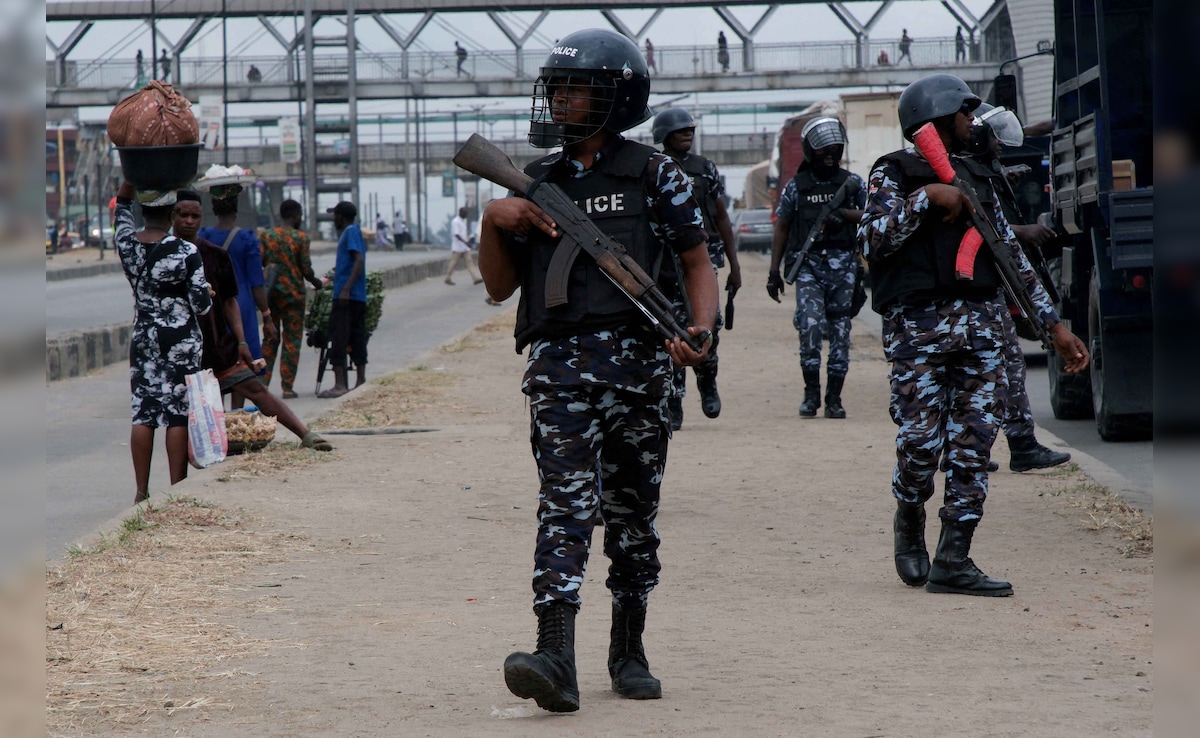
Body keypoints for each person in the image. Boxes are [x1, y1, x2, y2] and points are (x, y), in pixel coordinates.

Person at [478, 28, 717, 713]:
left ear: (616, 98)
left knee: (632, 515)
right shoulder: (538, 184)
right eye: (554, 87)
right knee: (564, 508)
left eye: (574, 88)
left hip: (640, 368)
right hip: (558, 373)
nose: (559, 100)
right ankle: (555, 655)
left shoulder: (654, 175)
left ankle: (629, 645)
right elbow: (498, 288)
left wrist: (699, 331)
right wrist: (497, 221)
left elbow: (697, 263)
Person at [858, 74, 1089, 597]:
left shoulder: (979, 176)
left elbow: (1010, 254)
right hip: (919, 332)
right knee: (920, 443)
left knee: (974, 443)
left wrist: (1054, 327)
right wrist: (926, 200)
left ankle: (954, 557)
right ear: (938, 118)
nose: (972, 122)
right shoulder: (894, 171)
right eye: (964, 113)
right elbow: (871, 237)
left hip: (983, 330)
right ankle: (909, 514)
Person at [172, 191, 333, 451]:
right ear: (172, 216)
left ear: (204, 217)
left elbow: (229, 301)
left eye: (195, 216)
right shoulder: (163, 256)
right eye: (183, 215)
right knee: (191, 409)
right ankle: (208, 451)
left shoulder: (213, 252)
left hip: (217, 340)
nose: (189, 221)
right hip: (181, 349)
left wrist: (242, 340)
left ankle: (305, 434)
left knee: (254, 388)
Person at [966, 103, 1074, 473]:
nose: (1001, 149)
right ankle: (970, 451)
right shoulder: (961, 174)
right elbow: (976, 229)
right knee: (981, 375)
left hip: (991, 288)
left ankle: (1018, 444)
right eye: (996, 143)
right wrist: (1022, 232)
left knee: (1009, 366)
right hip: (969, 294)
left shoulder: (982, 172)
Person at [113, 182, 212, 505]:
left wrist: (131, 181)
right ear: (171, 215)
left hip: (143, 336)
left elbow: (122, 209)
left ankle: (141, 491)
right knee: (177, 414)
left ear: (145, 212)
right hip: (180, 339)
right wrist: (206, 293)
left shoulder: (126, 243)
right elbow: (201, 305)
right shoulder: (186, 251)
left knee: (143, 413)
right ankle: (177, 489)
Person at [766, 117, 866, 419]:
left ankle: (834, 398)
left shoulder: (853, 183)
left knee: (840, 332)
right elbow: (782, 227)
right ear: (811, 152)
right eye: (824, 151)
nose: (830, 156)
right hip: (809, 267)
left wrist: (846, 215)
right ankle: (811, 395)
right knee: (810, 328)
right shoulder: (797, 187)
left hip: (845, 266)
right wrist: (773, 272)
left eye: (834, 150)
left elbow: (873, 215)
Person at [652, 107, 742, 426]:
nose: (687, 133)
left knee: (708, 326)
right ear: (663, 136)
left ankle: (708, 380)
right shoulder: (654, 168)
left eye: (690, 129)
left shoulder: (705, 169)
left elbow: (721, 217)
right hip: (666, 263)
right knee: (673, 328)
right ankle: (674, 401)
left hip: (704, 259)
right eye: (680, 130)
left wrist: (734, 265)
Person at [198, 185, 277, 408]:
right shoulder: (247, 239)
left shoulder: (204, 236)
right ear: (236, 209)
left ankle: (218, 416)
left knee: (215, 361)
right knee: (242, 364)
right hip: (241, 306)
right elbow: (256, 282)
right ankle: (237, 413)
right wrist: (267, 316)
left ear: (213, 209)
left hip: (213, 304)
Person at [259, 199, 324, 399]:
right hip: (294, 297)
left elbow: (260, 262)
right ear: (296, 215)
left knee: (270, 339)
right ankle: (287, 387)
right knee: (291, 342)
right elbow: (306, 269)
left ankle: (263, 384)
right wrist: (317, 282)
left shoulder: (267, 236)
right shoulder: (301, 238)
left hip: (271, 296)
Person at [320, 200, 367, 398]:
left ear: (340, 216)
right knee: (356, 336)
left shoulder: (350, 232)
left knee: (339, 338)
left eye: (334, 215)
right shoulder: (351, 233)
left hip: (347, 297)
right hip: (354, 296)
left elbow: (359, 260)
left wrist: (346, 288)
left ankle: (340, 384)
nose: (333, 219)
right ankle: (359, 381)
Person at [445, 206, 483, 286]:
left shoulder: (462, 221)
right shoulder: (456, 222)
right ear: (460, 213)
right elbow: (456, 234)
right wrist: (465, 242)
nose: (466, 215)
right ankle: (447, 277)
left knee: (470, 263)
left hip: (464, 248)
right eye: (465, 214)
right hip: (458, 247)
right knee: (453, 263)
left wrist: (467, 241)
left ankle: (475, 278)